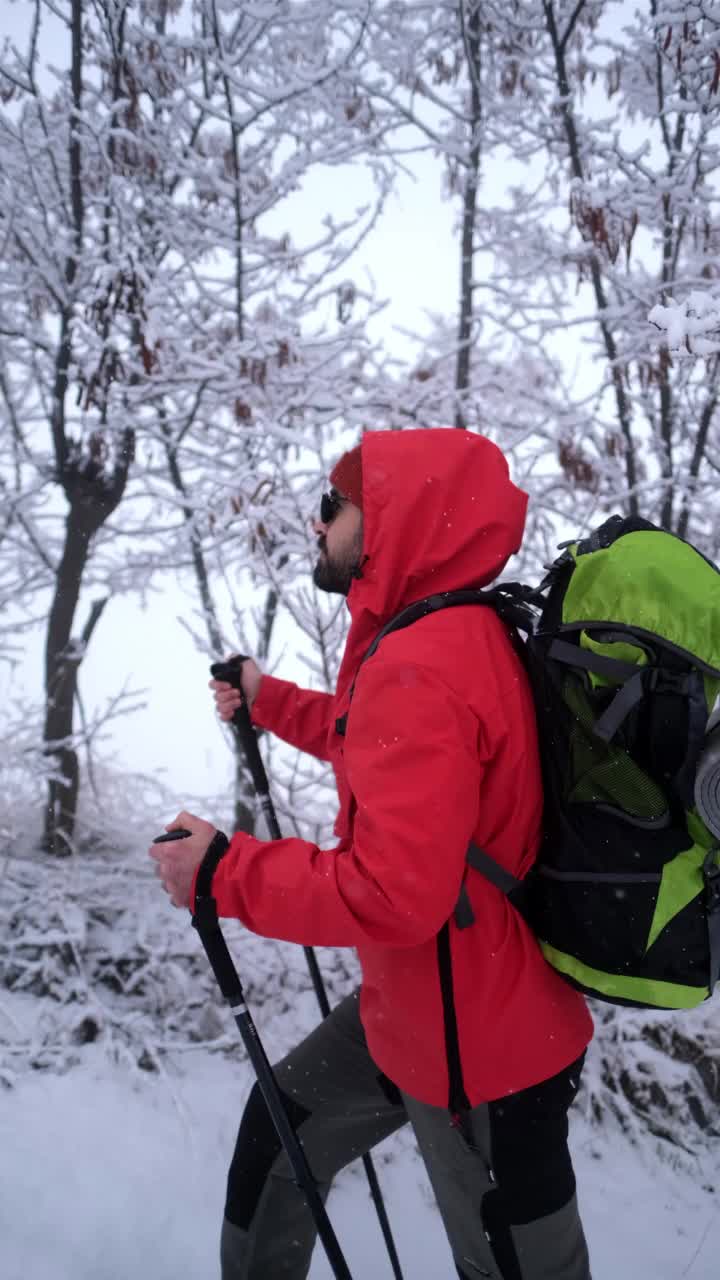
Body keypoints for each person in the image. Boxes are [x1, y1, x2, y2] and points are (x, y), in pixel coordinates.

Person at [150, 428, 594, 1280]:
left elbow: (394, 894)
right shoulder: (449, 633)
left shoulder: (422, 661)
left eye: (333, 505)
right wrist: (266, 698)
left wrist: (221, 872)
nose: (316, 524)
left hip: (483, 1057)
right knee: (278, 1134)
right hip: (425, 1010)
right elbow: (378, 747)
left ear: (394, 516)